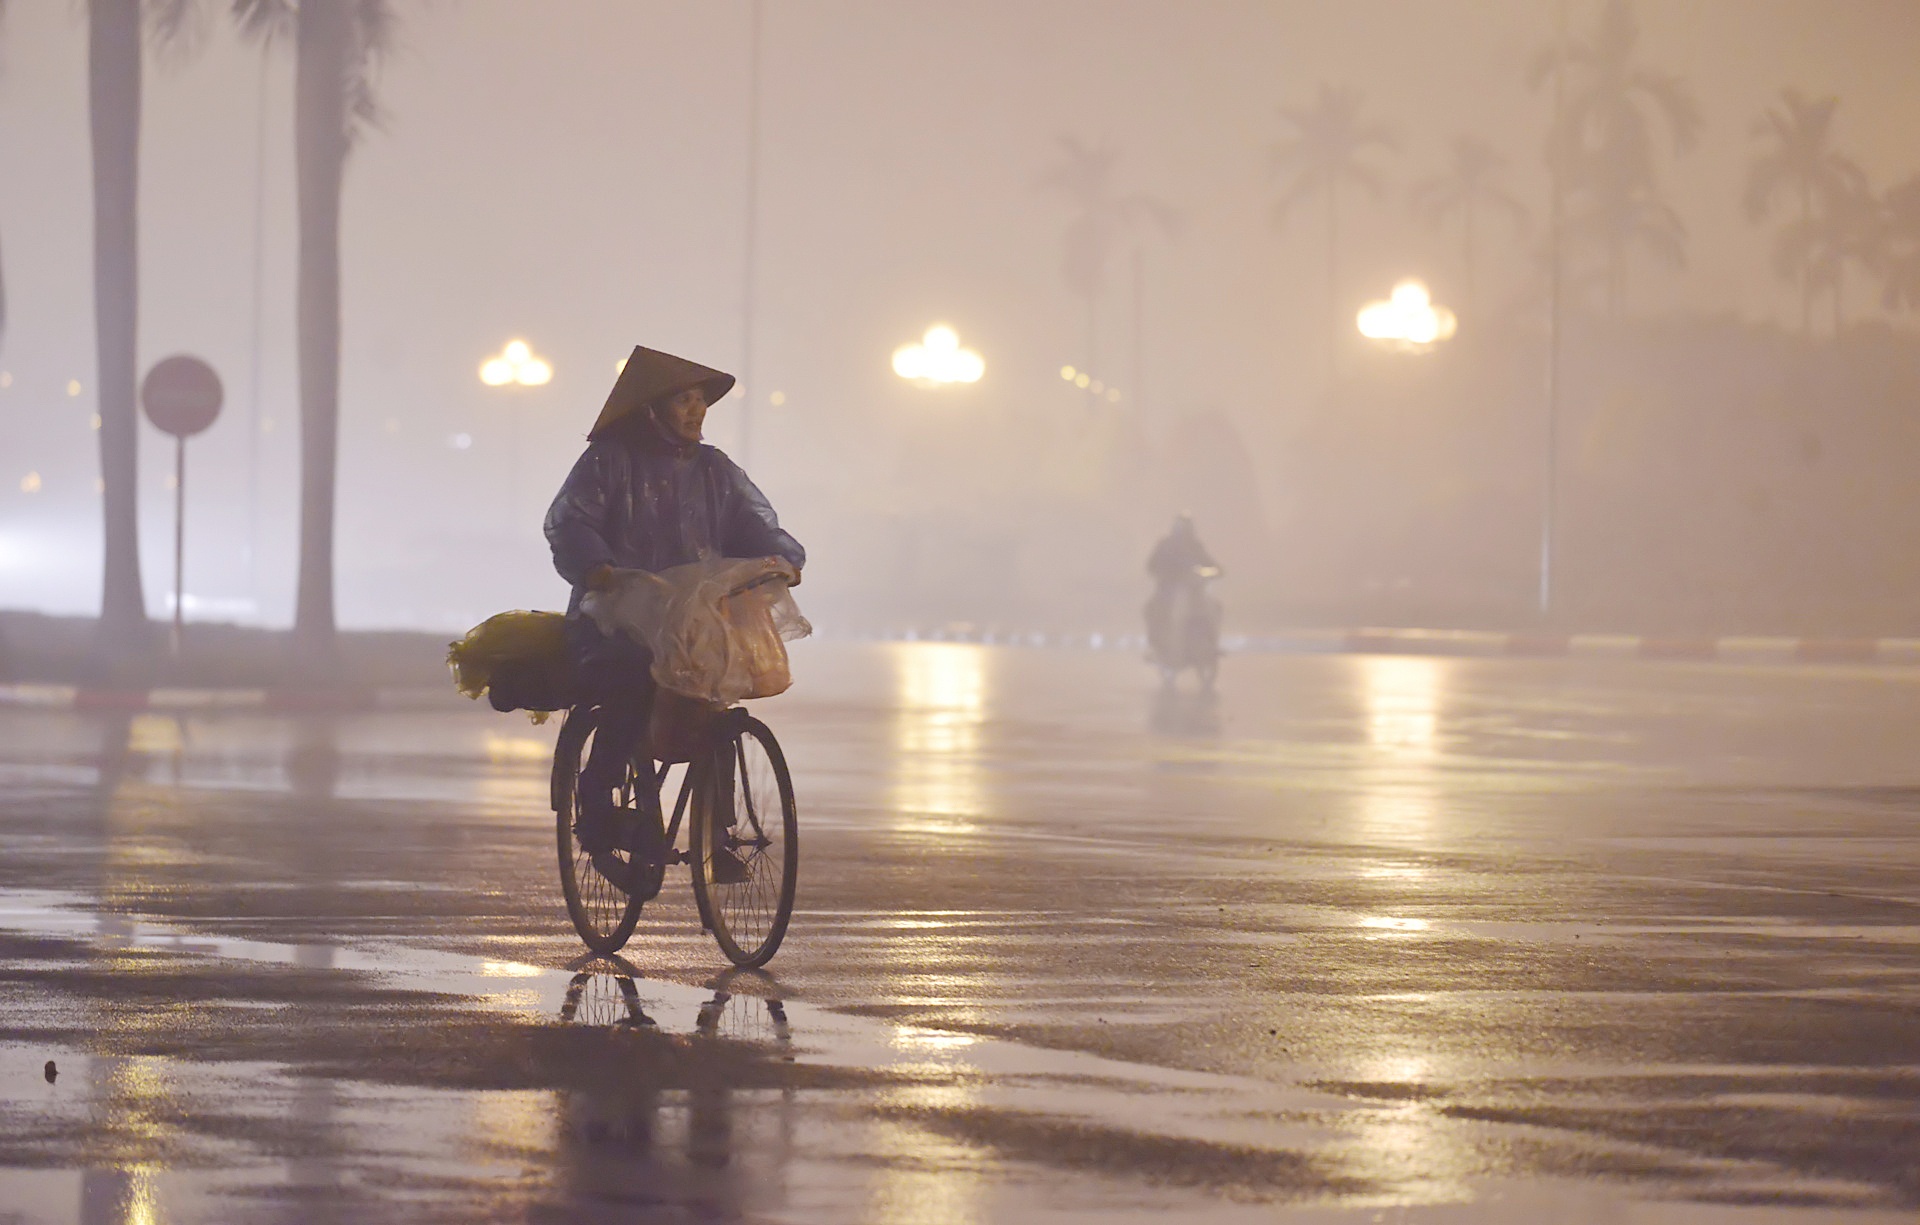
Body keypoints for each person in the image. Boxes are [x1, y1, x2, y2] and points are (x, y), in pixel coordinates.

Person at [545, 346, 805, 882]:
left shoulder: (715, 471)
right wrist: (598, 568)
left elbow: (757, 527)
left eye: (699, 402)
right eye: (683, 400)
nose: (695, 411)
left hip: (690, 621)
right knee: (629, 684)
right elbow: (572, 522)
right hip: (614, 619)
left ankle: (718, 831)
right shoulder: (608, 461)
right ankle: (597, 818)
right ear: (651, 408)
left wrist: (782, 558)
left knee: (716, 699)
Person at [1144, 513, 1221, 667]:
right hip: (1168, 592)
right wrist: (1165, 574)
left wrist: (1216, 570)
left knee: (1217, 607)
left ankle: (1211, 643)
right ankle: (1157, 646)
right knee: (1151, 610)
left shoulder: (1196, 546)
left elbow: (1211, 563)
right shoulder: (1165, 546)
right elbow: (1152, 565)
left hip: (1195, 591)